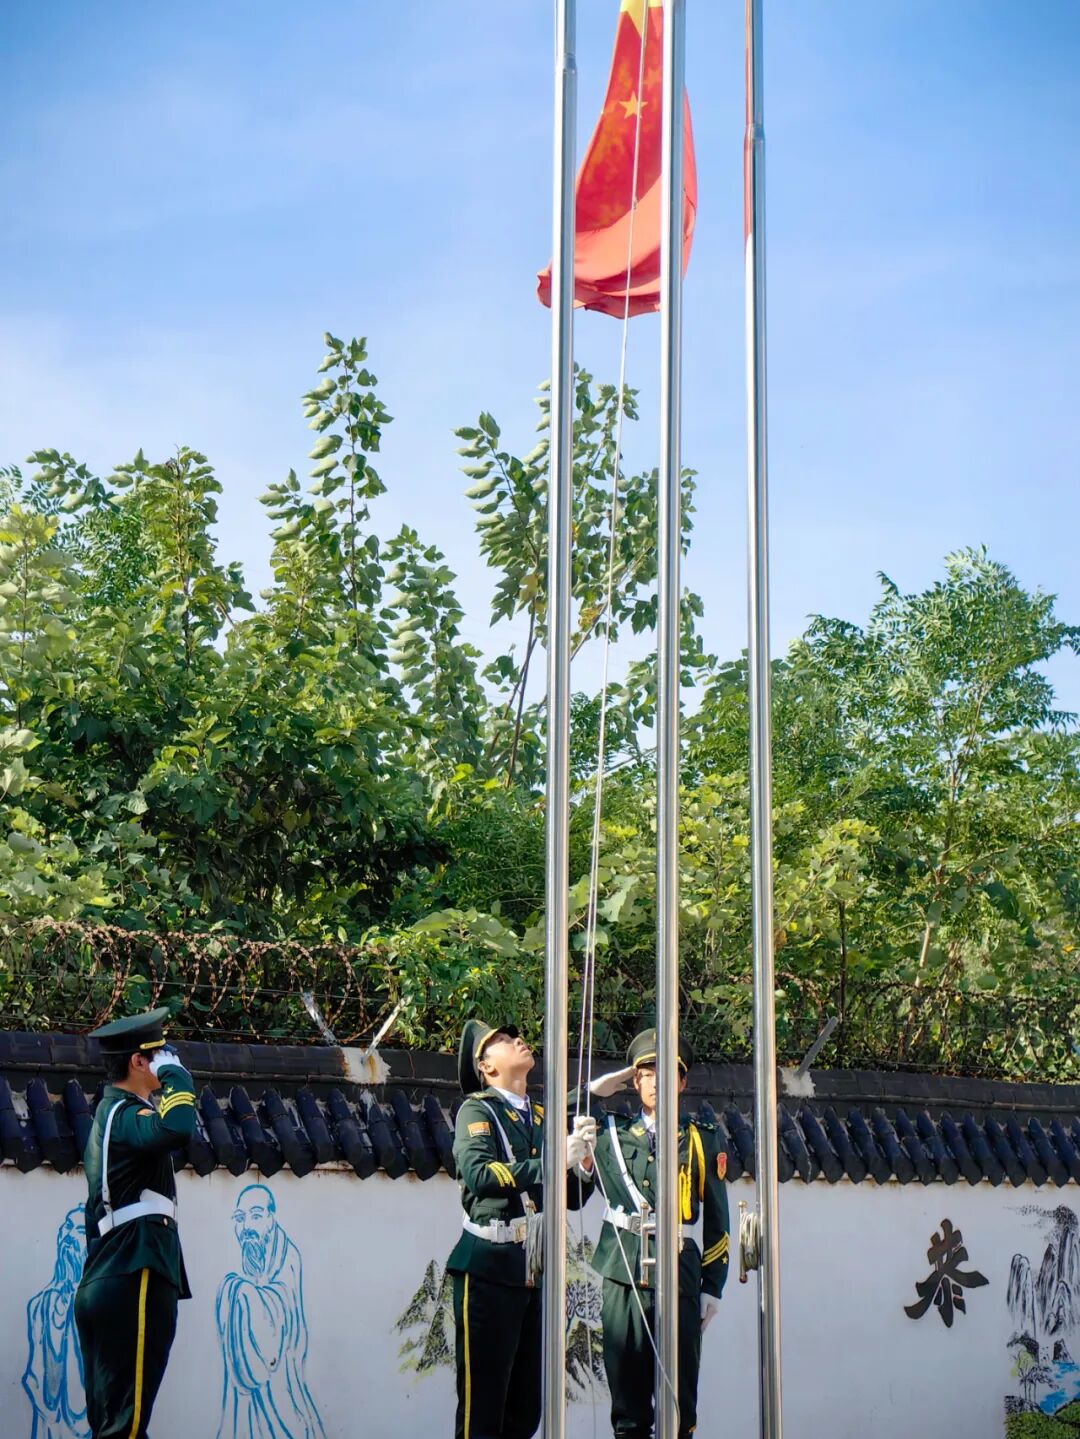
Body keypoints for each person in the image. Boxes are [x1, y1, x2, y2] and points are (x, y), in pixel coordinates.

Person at [446, 1019, 597, 1439]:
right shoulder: (478, 1110)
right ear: (486, 1066)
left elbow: (569, 1197)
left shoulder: (542, 1116)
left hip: (533, 1271)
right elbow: (481, 1174)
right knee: (483, 1412)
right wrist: (555, 1161)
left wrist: (583, 1162)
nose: (517, 1040)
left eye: (514, 1036)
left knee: (525, 1410)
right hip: (489, 1268)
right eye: (502, 1040)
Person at [587, 1028, 730, 1439]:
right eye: (646, 1074)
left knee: (679, 1403)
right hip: (624, 1273)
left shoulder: (700, 1138)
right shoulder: (611, 1133)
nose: (655, 1082)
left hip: (679, 1273)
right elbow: (558, 1118)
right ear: (634, 1082)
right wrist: (593, 1091)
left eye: (665, 1074)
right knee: (627, 1407)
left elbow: (718, 1217)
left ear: (682, 1083)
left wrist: (713, 1285)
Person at [73, 1007, 197, 1439]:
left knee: (116, 1426)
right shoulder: (125, 1115)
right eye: (158, 1054)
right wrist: (177, 1078)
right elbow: (178, 1127)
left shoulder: (114, 1115)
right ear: (138, 1061)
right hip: (135, 1267)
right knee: (124, 1428)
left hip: (116, 1273)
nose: (167, 1059)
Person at [216, 1183, 325, 1439]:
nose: (246, 1227)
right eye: (240, 1218)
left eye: (255, 1216)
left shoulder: (287, 1256)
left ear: (271, 1218)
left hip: (281, 1376)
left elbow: (282, 1307)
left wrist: (241, 1292)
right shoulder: (252, 1258)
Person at [22, 1206, 91, 1439]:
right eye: (67, 1227)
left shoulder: (103, 1306)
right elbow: (34, 1378)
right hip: (50, 1428)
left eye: (78, 1230)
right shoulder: (40, 1306)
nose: (69, 1236)